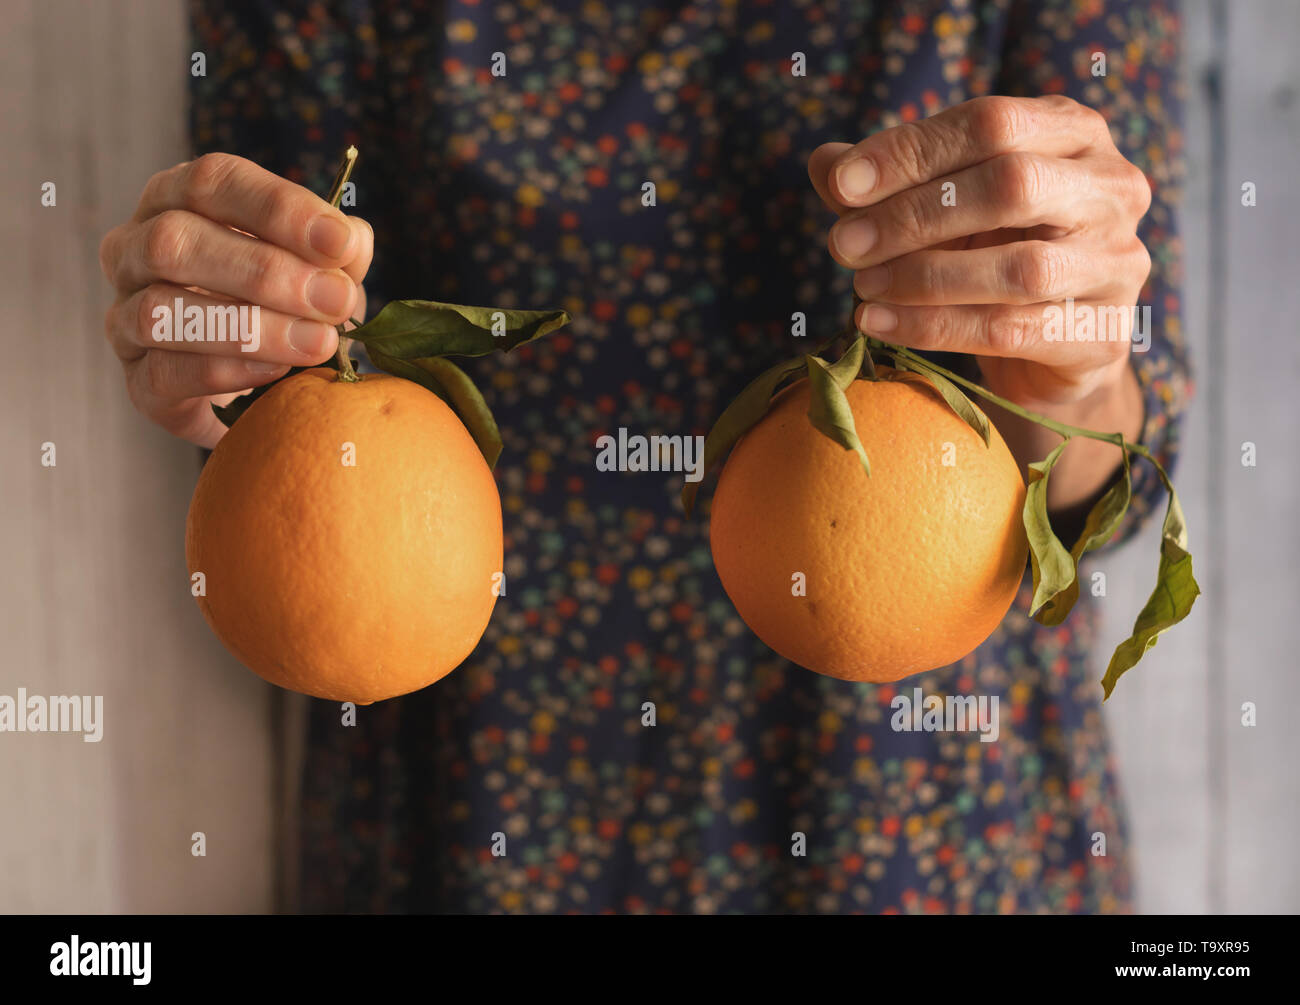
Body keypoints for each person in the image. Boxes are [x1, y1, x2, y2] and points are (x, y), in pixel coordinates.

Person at [98, 0, 1187, 913]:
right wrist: (224, 344)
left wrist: (1070, 380)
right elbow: (278, 405)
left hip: (919, 816)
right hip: (480, 806)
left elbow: (1114, 479)